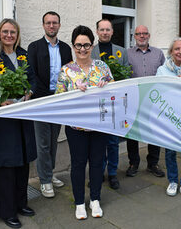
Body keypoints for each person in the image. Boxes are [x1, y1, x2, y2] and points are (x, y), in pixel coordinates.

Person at [0, 18, 37, 228]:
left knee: (22, 163)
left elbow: (33, 79)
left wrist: (30, 92)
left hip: (22, 117)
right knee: (6, 168)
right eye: (5, 32)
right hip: (2, 121)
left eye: (13, 32)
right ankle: (6, 212)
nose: (9, 35)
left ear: (17, 34)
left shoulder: (23, 55)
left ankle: (21, 204)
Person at [56, 25, 113, 220]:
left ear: (92, 45)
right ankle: (79, 202)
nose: (82, 49)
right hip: (76, 127)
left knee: (97, 163)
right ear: (73, 46)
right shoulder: (66, 71)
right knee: (78, 164)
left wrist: (107, 87)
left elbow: (115, 93)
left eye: (86, 45)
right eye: (78, 45)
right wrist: (73, 93)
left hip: (99, 125)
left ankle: (95, 199)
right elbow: (58, 98)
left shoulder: (103, 67)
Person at [27, 11, 72, 198]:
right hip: (41, 100)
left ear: (59, 25)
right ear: (43, 25)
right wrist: (43, 96)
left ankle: (50, 174)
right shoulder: (34, 47)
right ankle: (44, 181)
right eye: (48, 23)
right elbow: (32, 75)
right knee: (43, 143)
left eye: (55, 23)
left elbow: (69, 72)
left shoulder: (66, 48)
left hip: (59, 99)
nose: (51, 26)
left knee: (54, 140)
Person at [91, 19, 128, 189]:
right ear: (97, 32)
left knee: (113, 142)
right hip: (96, 104)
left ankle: (112, 173)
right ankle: (98, 173)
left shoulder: (121, 52)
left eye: (108, 29)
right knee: (97, 144)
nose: (105, 32)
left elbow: (126, 75)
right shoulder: (91, 51)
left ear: (112, 32)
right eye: (102, 29)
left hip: (115, 105)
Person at [126, 25, 165, 177]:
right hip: (133, 100)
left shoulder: (158, 53)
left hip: (154, 100)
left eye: (144, 34)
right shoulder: (126, 54)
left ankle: (153, 163)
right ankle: (133, 162)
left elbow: (164, 73)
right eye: (138, 34)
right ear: (134, 36)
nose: (141, 36)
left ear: (149, 35)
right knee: (133, 133)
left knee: (154, 132)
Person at [156, 37, 181, 200]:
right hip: (170, 117)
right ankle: (172, 181)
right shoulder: (162, 71)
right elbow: (157, 92)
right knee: (170, 151)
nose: (180, 52)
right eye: (177, 49)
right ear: (171, 51)